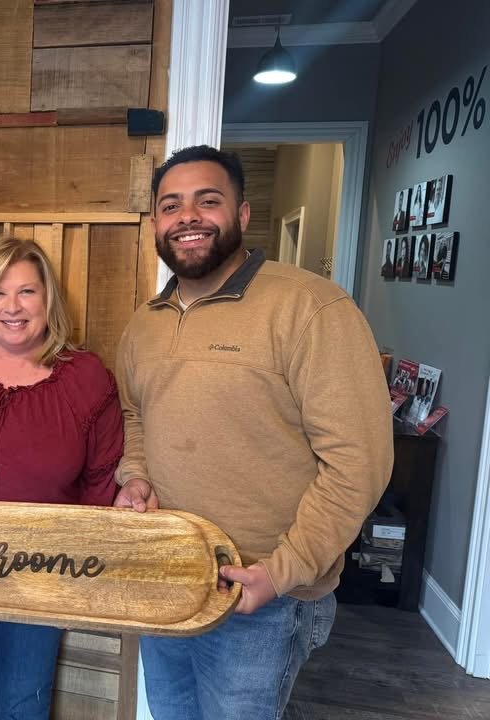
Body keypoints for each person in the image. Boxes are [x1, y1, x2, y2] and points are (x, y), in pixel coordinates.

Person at [115, 145, 393, 720]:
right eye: (171, 206)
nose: (187, 217)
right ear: (156, 224)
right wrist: (136, 476)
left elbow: (358, 463)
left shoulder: (311, 308)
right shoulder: (145, 322)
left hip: (260, 594)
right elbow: (136, 415)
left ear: (242, 214)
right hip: (168, 574)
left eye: (207, 201)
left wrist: (282, 571)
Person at [0, 236, 123, 720]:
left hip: (41, 575)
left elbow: (101, 478)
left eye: (27, 292)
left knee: (23, 707)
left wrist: (83, 566)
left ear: (48, 298)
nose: (12, 307)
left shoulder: (86, 378)